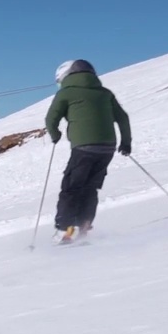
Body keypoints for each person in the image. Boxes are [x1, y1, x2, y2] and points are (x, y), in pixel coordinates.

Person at [44, 59, 132, 243]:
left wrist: (54, 134)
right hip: (107, 148)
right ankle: (84, 226)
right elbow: (122, 118)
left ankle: (64, 230)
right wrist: (126, 143)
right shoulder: (105, 93)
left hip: (84, 147)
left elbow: (51, 119)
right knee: (90, 188)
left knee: (71, 188)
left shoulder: (66, 93)